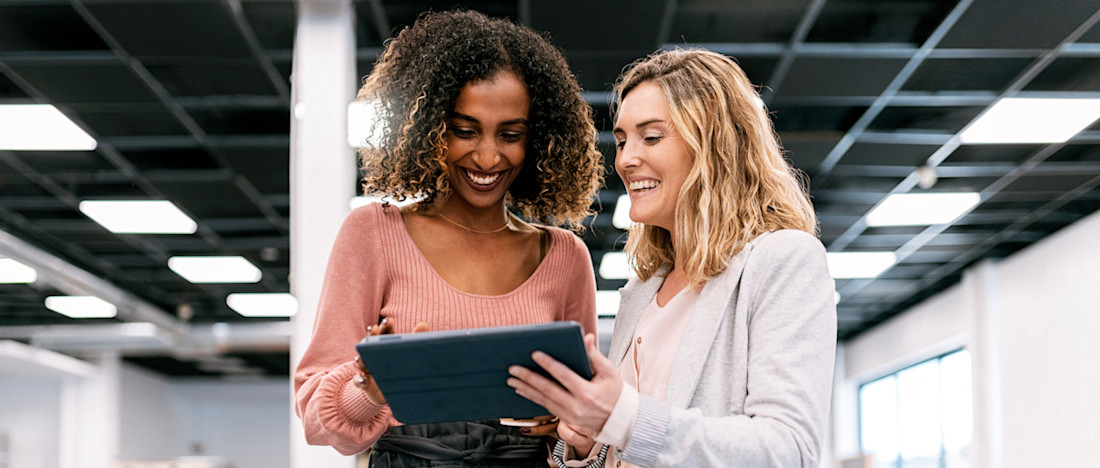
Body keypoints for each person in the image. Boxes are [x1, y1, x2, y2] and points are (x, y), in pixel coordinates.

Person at [294, 10, 604, 467]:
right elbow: (316, 419)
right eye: (465, 131)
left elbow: (585, 420)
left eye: (511, 134)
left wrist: (567, 427)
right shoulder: (373, 234)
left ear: (537, 141)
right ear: (429, 129)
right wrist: (369, 386)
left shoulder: (563, 256)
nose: (487, 156)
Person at [507, 48, 837, 468]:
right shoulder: (641, 292)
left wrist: (620, 416)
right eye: (623, 140)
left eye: (651, 136)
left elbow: (788, 450)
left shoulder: (783, 261)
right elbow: (633, 444)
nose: (625, 159)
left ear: (714, 143)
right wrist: (587, 442)